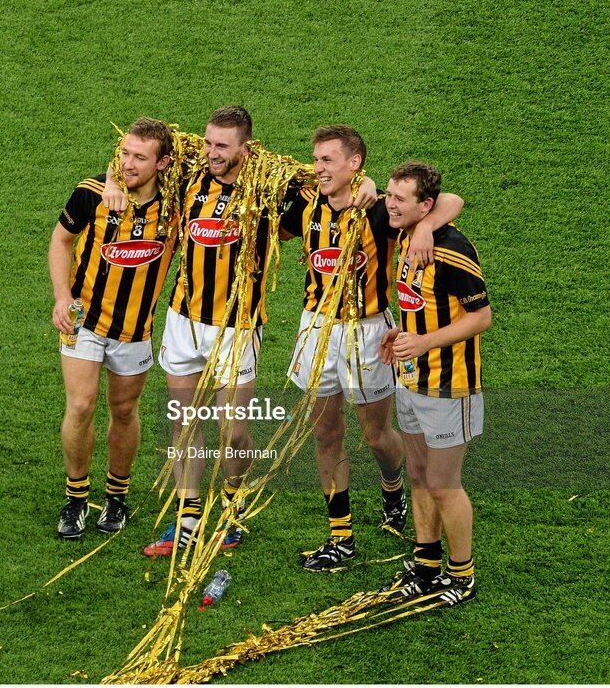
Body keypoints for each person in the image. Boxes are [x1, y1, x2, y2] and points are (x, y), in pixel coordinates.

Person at [103, 107, 379, 556]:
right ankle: (188, 518)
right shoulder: (190, 169)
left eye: (222, 147)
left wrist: (366, 182)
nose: (211, 153)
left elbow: (335, 183)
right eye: (209, 143)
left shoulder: (271, 186)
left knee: (232, 432)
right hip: (184, 321)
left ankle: (231, 513)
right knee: (184, 423)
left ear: (245, 149)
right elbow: (133, 156)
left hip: (238, 327)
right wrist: (115, 180)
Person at [280, 127, 464, 571]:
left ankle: (392, 486)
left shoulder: (382, 208)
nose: (318, 167)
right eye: (316, 159)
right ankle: (340, 536)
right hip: (316, 328)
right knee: (325, 432)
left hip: (366, 333)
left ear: (355, 164)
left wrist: (426, 229)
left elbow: (452, 200)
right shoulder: (305, 202)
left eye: (328, 160)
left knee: (376, 436)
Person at [48, 117, 177, 539]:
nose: (128, 163)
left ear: (163, 163)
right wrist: (62, 297)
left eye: (140, 157)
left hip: (136, 328)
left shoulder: (180, 202)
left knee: (124, 411)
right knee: (82, 405)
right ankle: (76, 498)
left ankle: (116, 497)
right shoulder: (92, 193)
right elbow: (60, 241)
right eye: (124, 153)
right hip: (83, 320)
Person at [377, 161, 491, 605]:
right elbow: (417, 302)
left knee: (444, 482)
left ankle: (461, 575)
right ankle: (426, 562)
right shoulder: (410, 232)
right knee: (420, 474)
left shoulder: (452, 250)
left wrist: (424, 342)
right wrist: (402, 334)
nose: (389, 203)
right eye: (388, 194)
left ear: (424, 206)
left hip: (450, 383)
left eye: (398, 198)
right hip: (410, 378)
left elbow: (482, 317)